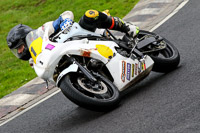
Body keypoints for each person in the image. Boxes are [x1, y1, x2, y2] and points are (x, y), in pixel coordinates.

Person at [6, 10, 139, 62]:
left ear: (26, 38)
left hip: (83, 35)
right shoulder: (36, 61)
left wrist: (65, 22)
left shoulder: (42, 31)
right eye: (16, 51)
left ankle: (126, 27)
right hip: (76, 52)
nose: (20, 52)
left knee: (89, 15)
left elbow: (67, 14)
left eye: (20, 47)